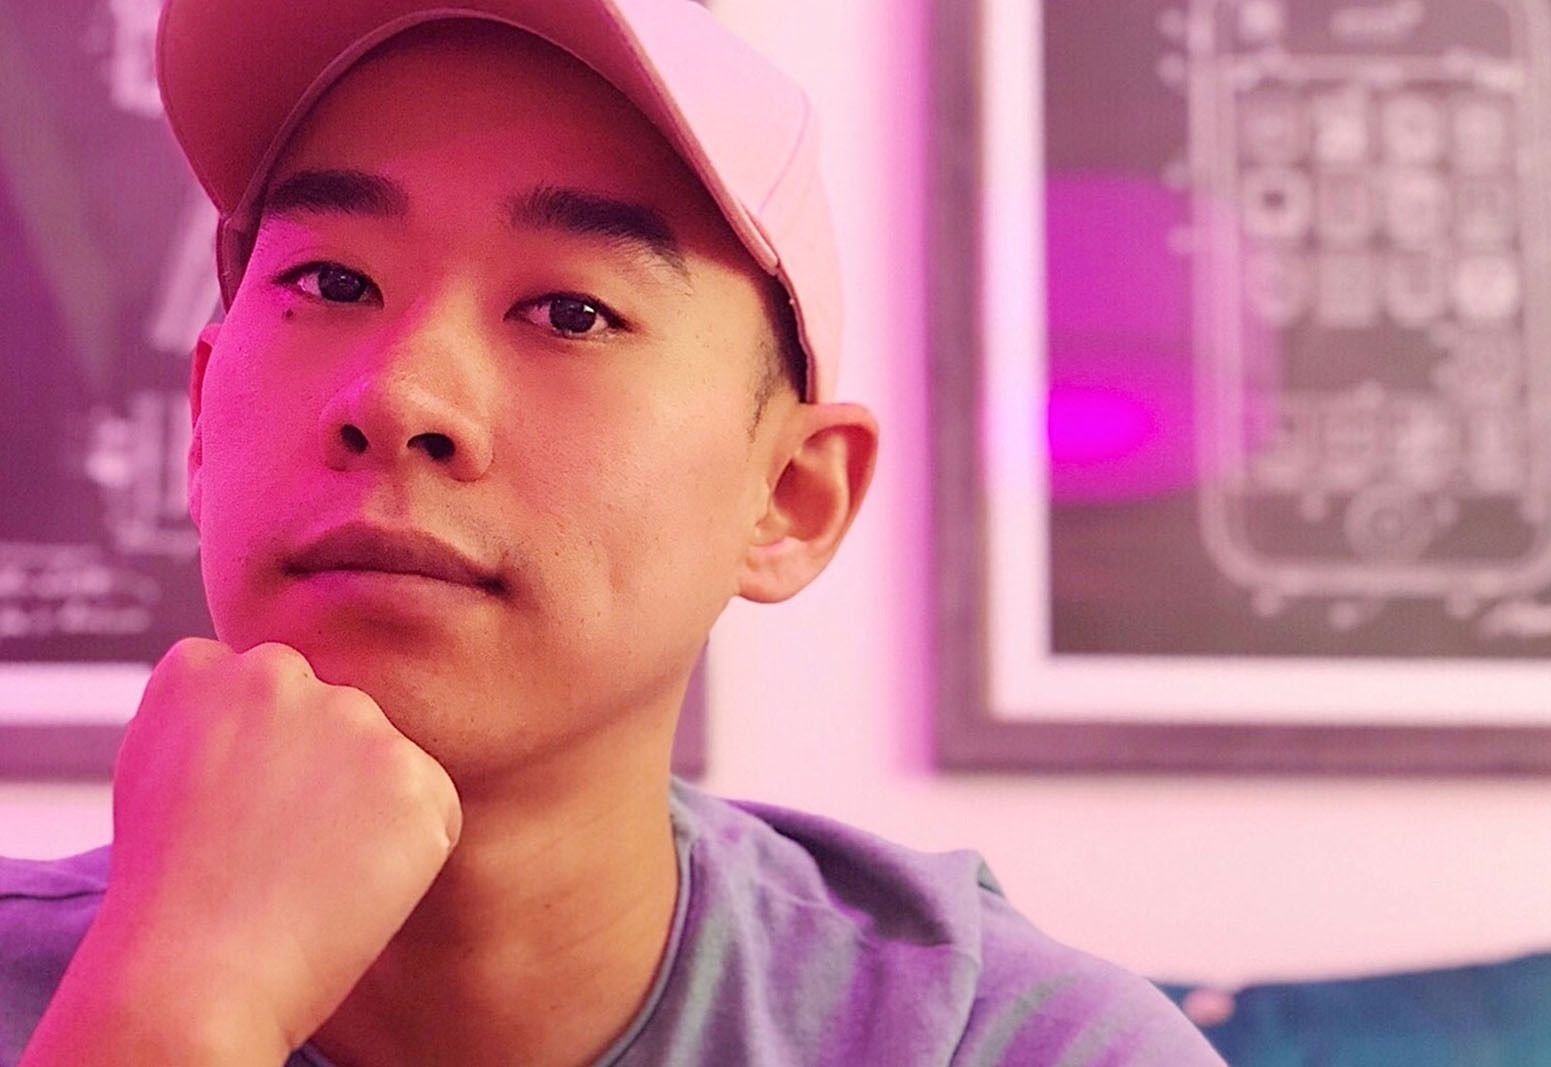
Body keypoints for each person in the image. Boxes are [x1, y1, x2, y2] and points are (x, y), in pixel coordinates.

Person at [0, 1, 1224, 1064]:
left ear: (790, 497)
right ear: (203, 415)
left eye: (570, 309)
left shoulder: (1007, 1043)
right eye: (333, 282)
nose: (399, 396)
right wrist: (182, 1003)